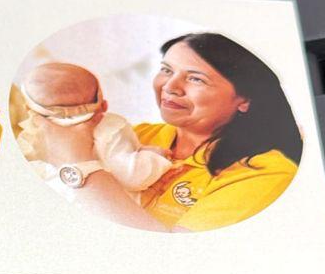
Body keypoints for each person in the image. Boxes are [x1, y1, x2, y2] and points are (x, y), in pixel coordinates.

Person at [30, 32, 302, 232]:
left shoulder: (265, 172)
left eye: (195, 78)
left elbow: (167, 256)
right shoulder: (139, 134)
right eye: (166, 70)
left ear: (245, 99)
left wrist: (79, 164)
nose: (170, 87)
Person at [19, 60, 173, 198]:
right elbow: (132, 176)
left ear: (29, 107)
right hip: (101, 204)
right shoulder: (110, 127)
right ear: (103, 104)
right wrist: (155, 156)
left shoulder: (32, 134)